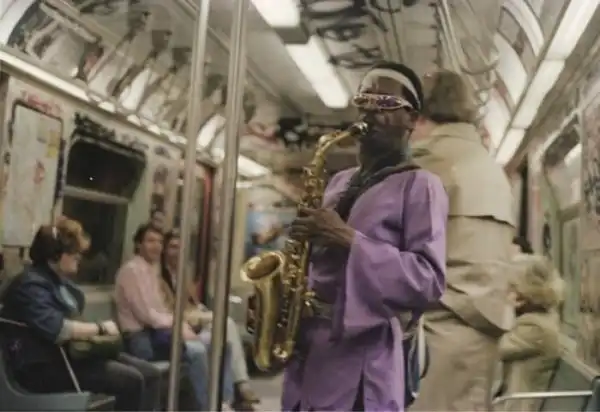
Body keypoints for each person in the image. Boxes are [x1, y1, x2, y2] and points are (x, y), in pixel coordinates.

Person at [281, 61, 448, 411]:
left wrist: (348, 239)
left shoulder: (421, 185)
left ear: (412, 119)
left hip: (361, 360)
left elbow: (428, 281)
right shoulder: (339, 181)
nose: (371, 111)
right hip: (309, 350)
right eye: (364, 101)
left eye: (385, 103)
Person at [408, 69, 516, 411]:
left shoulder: (430, 160)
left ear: (419, 116)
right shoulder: (487, 166)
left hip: (438, 325)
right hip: (480, 324)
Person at [0, 218, 162, 411]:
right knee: (130, 380)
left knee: (151, 374)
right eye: (73, 251)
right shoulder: (30, 285)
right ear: (54, 255)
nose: (79, 256)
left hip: (68, 356)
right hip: (42, 365)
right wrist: (100, 328)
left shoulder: (59, 282)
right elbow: (57, 329)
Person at [114, 223, 235, 410]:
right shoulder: (132, 270)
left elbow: (162, 310)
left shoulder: (150, 270)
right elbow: (147, 316)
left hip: (158, 334)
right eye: (150, 241)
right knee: (197, 351)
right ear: (138, 244)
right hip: (142, 339)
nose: (156, 246)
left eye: (159, 242)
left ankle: (224, 402)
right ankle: (207, 407)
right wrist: (178, 326)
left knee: (221, 344)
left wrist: (179, 326)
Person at [160, 229, 260, 410]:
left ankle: (228, 398)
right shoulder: (160, 277)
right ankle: (240, 386)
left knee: (224, 338)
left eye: (180, 247)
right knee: (225, 323)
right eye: (172, 247)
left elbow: (193, 302)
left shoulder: (183, 273)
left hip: (193, 318)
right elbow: (167, 309)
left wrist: (201, 312)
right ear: (165, 250)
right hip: (179, 322)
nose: (176, 252)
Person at [500, 255, 564, 411]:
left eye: (510, 286)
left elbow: (494, 349)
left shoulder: (535, 327)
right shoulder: (541, 318)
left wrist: (506, 308)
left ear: (523, 292)